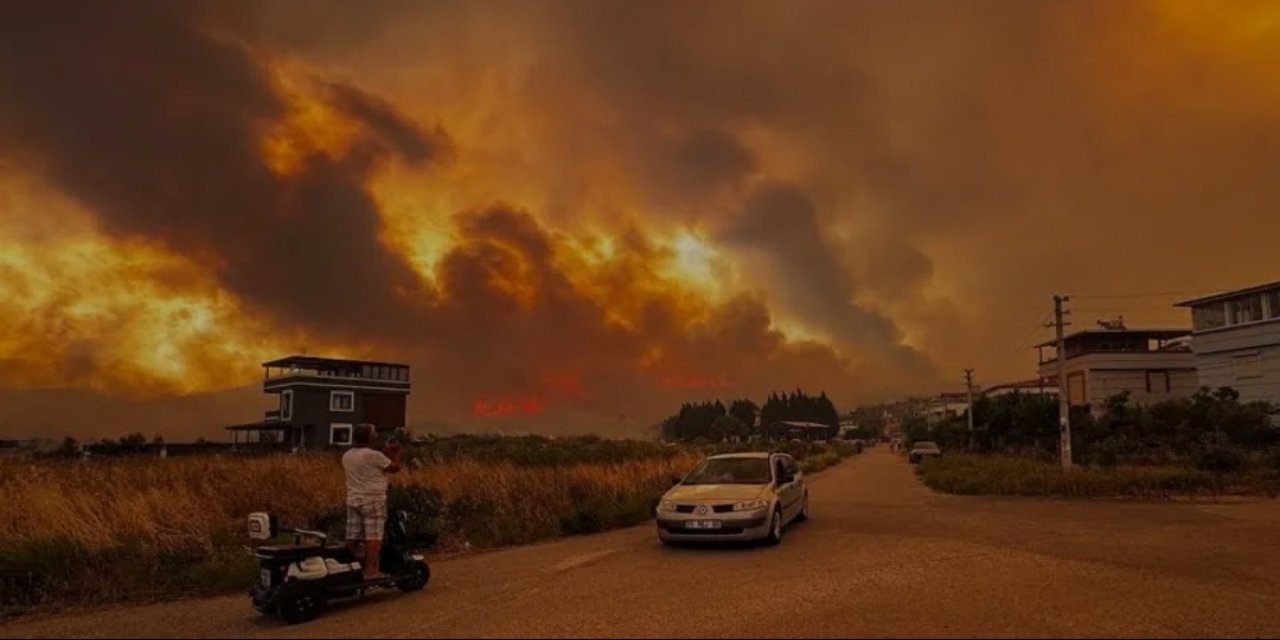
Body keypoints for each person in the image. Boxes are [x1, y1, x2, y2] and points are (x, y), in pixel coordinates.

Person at [343, 423, 401, 580]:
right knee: (373, 536)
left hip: (353, 498)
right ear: (369, 437)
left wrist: (385, 452)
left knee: (352, 535)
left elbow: (371, 463)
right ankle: (371, 571)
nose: (377, 435)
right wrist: (394, 453)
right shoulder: (374, 455)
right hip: (373, 499)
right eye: (374, 433)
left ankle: (345, 567)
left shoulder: (347, 455)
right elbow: (394, 468)